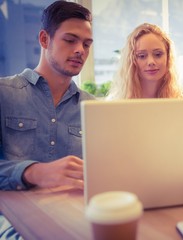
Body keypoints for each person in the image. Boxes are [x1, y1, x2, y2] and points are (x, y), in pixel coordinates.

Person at [0, 1, 94, 238]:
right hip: (14, 223)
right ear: (44, 39)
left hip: (77, 220)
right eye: (70, 40)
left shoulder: (92, 107)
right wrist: (35, 172)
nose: (80, 50)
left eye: (86, 43)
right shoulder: (4, 93)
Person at [107, 23, 183, 99]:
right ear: (132, 60)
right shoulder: (116, 103)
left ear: (168, 57)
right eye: (142, 56)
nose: (151, 62)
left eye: (158, 54)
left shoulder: (180, 100)